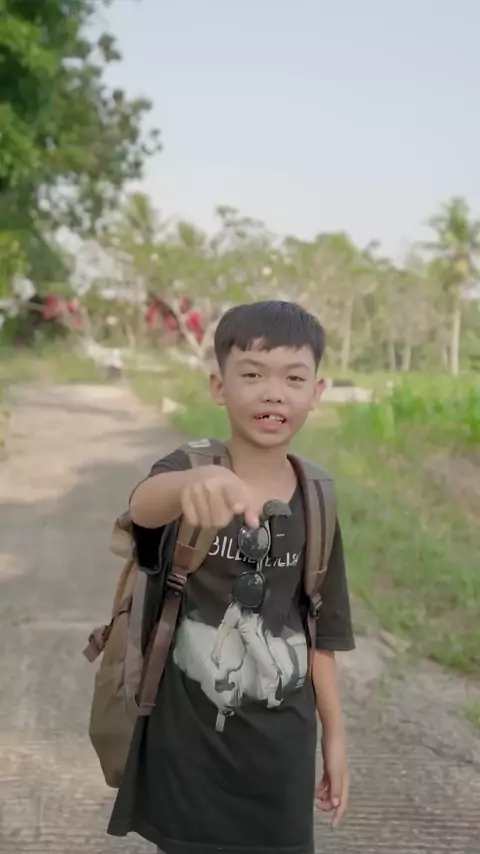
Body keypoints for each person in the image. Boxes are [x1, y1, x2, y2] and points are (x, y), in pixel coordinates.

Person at [107, 300, 355, 854]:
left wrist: (335, 738)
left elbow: (323, 634)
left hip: (282, 757)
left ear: (316, 392)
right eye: (253, 375)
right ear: (219, 387)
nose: (274, 393)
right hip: (187, 750)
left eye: (294, 378)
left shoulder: (317, 500)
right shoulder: (190, 470)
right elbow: (143, 507)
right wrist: (189, 488)